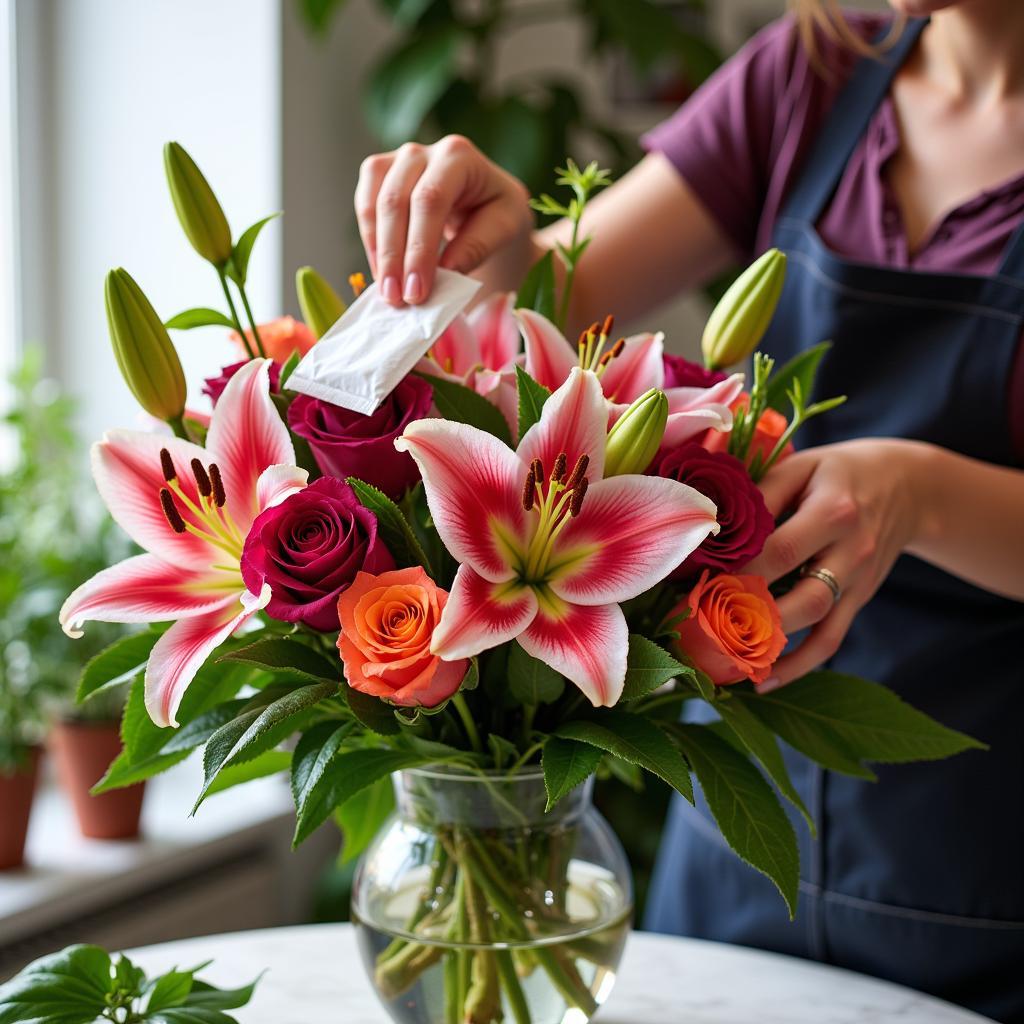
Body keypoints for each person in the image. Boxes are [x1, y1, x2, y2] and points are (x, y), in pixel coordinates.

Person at [352, 2, 1024, 1019]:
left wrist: (919, 492)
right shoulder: (813, 74)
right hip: (740, 827)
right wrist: (481, 239)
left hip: (992, 852)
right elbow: (541, 307)